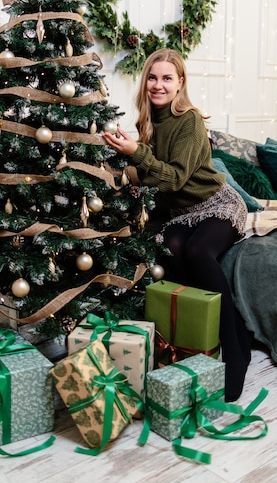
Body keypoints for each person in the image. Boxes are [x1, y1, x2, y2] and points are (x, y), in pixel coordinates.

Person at [102, 47, 251, 401]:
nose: (158, 85)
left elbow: (175, 179)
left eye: (167, 78)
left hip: (218, 203)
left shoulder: (190, 121)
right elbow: (145, 173)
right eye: (153, 78)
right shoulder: (146, 122)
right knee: (172, 249)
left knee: (199, 251)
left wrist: (135, 154)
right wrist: (117, 162)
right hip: (181, 213)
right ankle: (187, 344)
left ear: (180, 83)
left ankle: (236, 349)